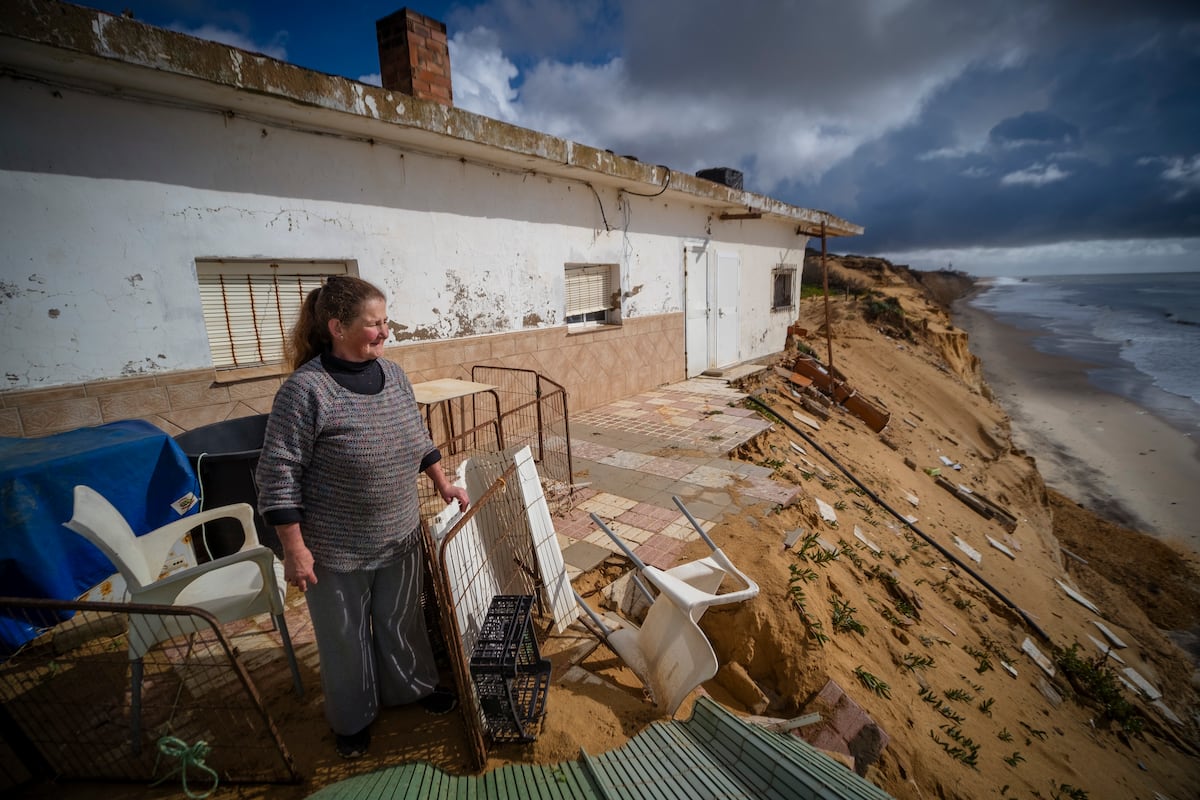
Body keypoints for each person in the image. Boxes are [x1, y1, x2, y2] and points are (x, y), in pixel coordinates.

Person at [255, 274, 470, 759]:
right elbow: (278, 474)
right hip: (335, 547)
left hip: (398, 533)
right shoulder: (305, 391)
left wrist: (443, 482)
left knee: (400, 620)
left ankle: (410, 688)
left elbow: (415, 434)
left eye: (385, 322)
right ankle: (351, 719)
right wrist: (294, 547)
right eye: (375, 324)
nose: (385, 332)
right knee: (344, 637)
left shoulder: (392, 375)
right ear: (337, 326)